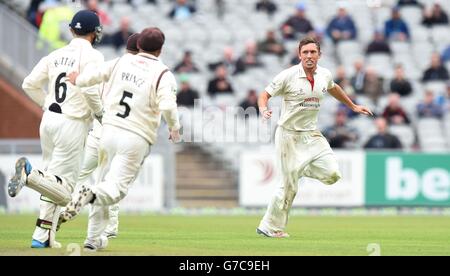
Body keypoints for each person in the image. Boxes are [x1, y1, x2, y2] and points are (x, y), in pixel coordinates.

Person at [62, 27, 181, 251]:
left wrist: (78, 80)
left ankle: (92, 239)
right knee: (115, 190)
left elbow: (94, 76)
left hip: (108, 132)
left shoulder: (121, 62)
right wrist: (175, 127)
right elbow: (167, 105)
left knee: (103, 183)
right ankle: (88, 194)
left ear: (139, 46)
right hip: (135, 136)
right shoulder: (163, 73)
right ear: (160, 49)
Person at [256, 37, 372, 238]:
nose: (309, 56)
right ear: (299, 54)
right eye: (305, 52)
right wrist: (263, 109)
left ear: (319, 54)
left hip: (311, 133)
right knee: (289, 186)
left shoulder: (324, 74)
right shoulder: (288, 75)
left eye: (313, 52)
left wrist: (352, 106)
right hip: (288, 135)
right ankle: (269, 227)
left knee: (333, 174)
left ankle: (298, 168)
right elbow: (264, 95)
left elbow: (333, 87)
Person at [8, 10, 104, 248]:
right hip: (72, 124)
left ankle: (42, 236)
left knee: (51, 180)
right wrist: (101, 114)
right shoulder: (93, 57)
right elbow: (91, 91)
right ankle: (29, 175)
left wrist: (46, 103)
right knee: (66, 191)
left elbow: (28, 84)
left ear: (71, 30)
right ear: (95, 33)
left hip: (49, 119)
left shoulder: (56, 54)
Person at [71, 33, 141, 240]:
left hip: (99, 130)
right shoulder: (139, 74)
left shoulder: (110, 65)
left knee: (78, 175)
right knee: (110, 182)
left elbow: (89, 90)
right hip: (119, 132)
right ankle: (108, 227)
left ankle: (68, 207)